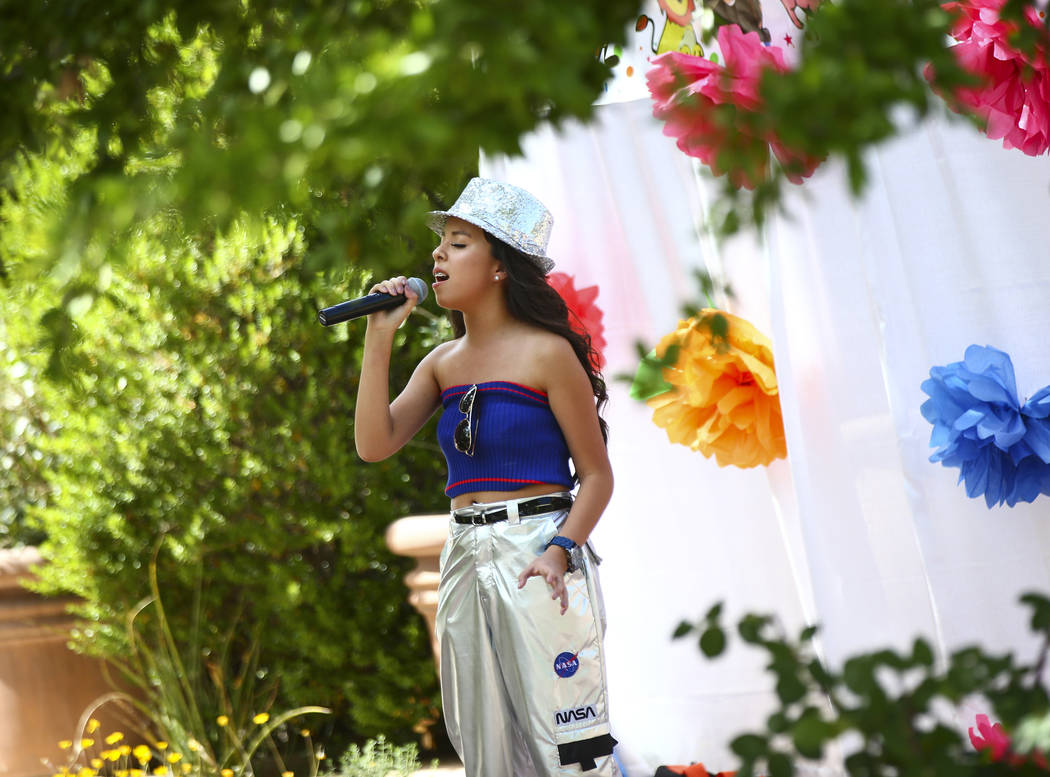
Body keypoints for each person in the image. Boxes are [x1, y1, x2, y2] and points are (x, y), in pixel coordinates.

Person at [353, 177, 621, 776]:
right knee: (483, 740)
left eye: (458, 242)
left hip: (538, 551)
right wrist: (379, 339)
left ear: (501, 266)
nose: (437, 256)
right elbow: (374, 444)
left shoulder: (547, 354)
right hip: (464, 549)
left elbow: (597, 476)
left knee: (567, 743)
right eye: (440, 244)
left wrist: (560, 550)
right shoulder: (442, 364)